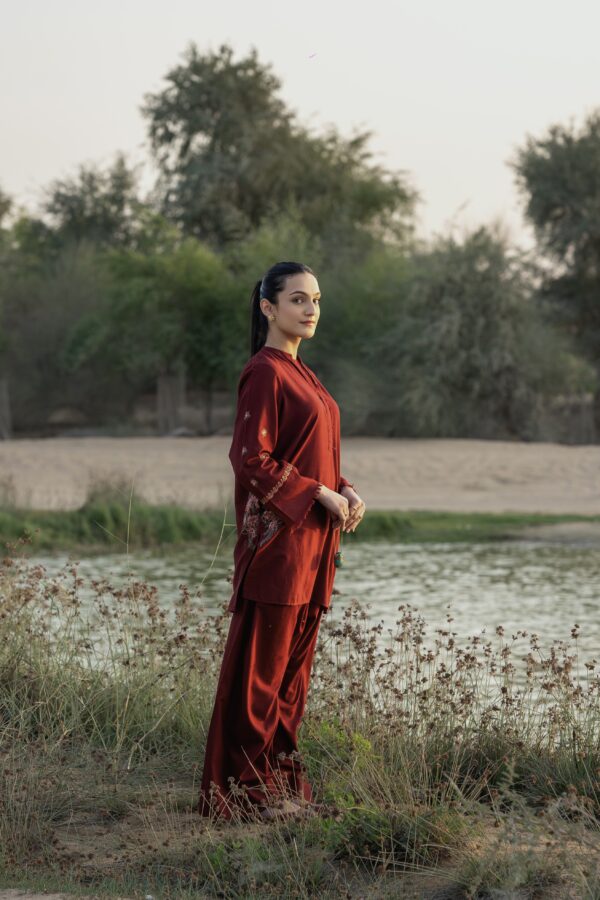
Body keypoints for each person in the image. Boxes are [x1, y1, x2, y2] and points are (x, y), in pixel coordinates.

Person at [197, 261, 366, 822]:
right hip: (277, 550)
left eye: (316, 299)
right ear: (269, 308)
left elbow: (307, 455)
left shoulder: (305, 374)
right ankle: (242, 796)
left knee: (291, 685)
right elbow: (250, 459)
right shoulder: (265, 372)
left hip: (314, 551)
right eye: (298, 299)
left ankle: (283, 790)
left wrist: (343, 489)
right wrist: (317, 491)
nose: (311, 309)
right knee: (258, 680)